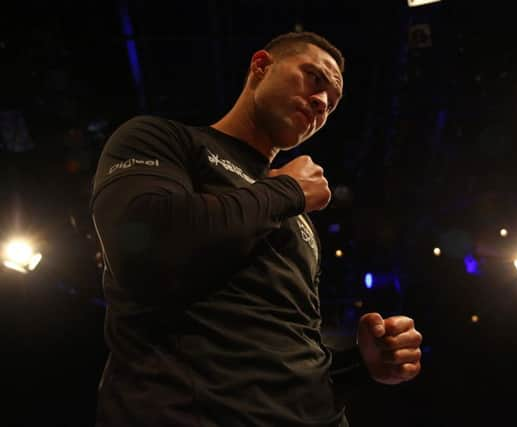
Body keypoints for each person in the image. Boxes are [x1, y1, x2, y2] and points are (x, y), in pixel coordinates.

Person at [90, 31, 422, 426]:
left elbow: (285, 343)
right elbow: (142, 244)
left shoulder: (299, 221)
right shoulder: (163, 139)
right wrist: (288, 190)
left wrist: (362, 365)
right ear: (261, 66)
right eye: (314, 79)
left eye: (332, 104)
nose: (321, 103)